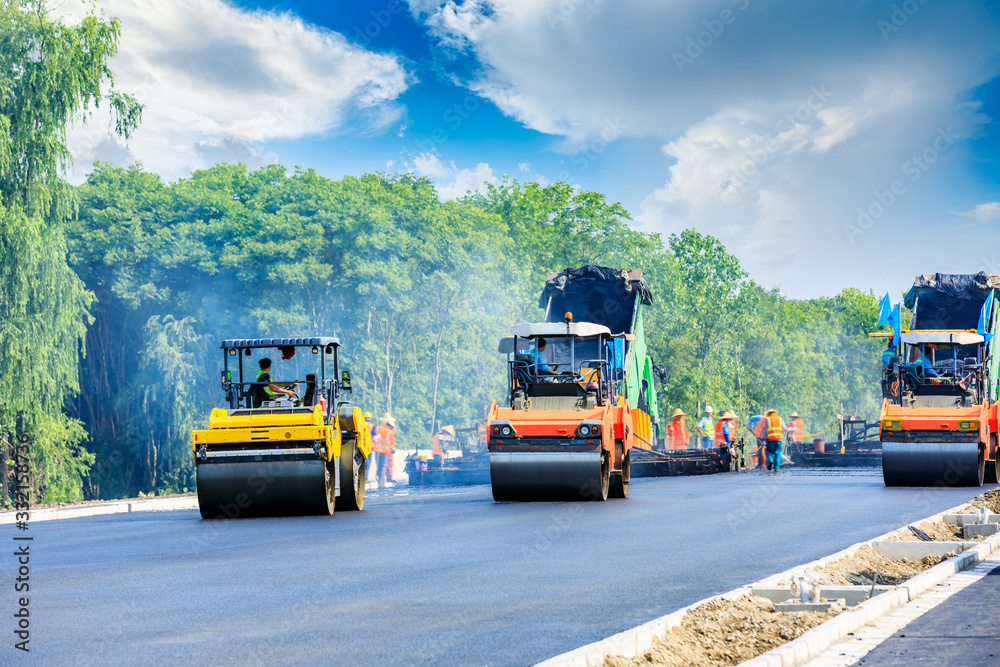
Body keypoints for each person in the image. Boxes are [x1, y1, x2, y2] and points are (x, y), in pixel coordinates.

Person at [371, 414, 396, 489]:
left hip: (377, 451)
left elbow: (374, 436)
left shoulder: (378, 427)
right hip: (385, 452)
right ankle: (381, 484)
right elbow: (392, 444)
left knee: (378, 466)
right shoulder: (390, 432)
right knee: (383, 467)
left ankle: (379, 481)